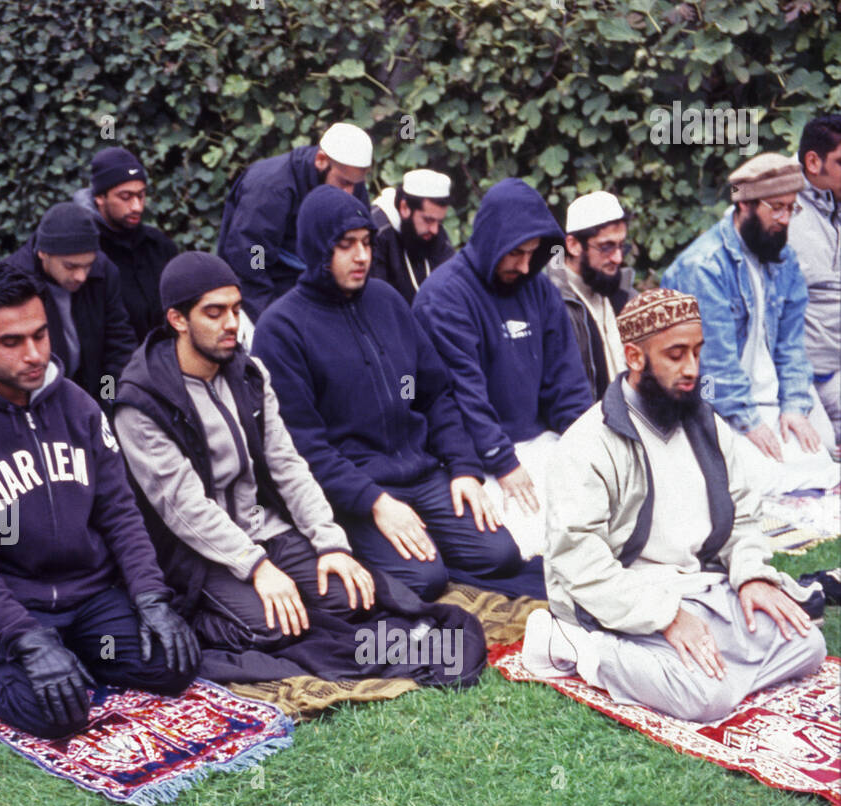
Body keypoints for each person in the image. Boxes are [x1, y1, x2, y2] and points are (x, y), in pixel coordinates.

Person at [114, 252, 485, 687]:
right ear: (177, 319)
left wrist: (331, 544)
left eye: (235, 309)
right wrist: (257, 568)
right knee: (273, 626)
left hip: (265, 528)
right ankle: (204, 620)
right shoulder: (141, 403)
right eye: (213, 313)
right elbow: (184, 509)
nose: (231, 323)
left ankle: (321, 612)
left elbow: (289, 465)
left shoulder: (249, 373)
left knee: (352, 597)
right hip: (196, 554)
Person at [523, 288, 826, 723]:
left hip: (701, 587)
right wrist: (666, 616)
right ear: (635, 357)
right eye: (676, 355)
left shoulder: (706, 425)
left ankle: (697, 661)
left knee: (807, 646)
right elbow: (580, 563)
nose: (693, 370)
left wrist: (751, 576)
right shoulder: (587, 445)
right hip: (625, 597)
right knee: (707, 698)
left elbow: (743, 512)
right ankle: (575, 646)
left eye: (698, 353)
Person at [252, 186, 544, 602]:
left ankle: (430, 546)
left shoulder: (387, 300)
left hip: (423, 474)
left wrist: (463, 468)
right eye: (346, 245)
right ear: (318, 248)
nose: (362, 256)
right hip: (353, 491)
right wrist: (374, 501)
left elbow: (436, 393)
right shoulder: (280, 328)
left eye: (367, 242)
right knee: (424, 580)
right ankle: (406, 552)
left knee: (500, 556)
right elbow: (302, 448)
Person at [0, 262, 198, 738]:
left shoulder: (79, 406)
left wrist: (149, 596)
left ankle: (70, 654)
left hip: (87, 597)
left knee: (174, 663)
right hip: (14, 601)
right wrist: (28, 640)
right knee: (61, 714)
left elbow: (120, 513)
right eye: (11, 342)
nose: (34, 354)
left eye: (40, 334)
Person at [413, 178, 593, 560]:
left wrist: (589, 444)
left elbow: (568, 383)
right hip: (474, 455)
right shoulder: (445, 296)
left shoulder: (540, 289)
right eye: (515, 253)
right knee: (522, 547)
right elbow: (462, 393)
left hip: (539, 440)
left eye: (534, 253)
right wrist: (503, 462)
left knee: (587, 527)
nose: (525, 265)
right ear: (492, 239)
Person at [662, 152, 837, 492]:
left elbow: (791, 346)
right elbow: (714, 362)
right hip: (713, 397)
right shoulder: (705, 266)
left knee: (821, 448)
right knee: (755, 475)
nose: (786, 219)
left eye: (792, 208)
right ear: (745, 205)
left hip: (767, 395)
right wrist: (749, 423)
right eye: (777, 208)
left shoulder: (782, 258)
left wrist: (794, 406)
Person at [217, 122, 373, 321]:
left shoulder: (351, 184)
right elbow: (251, 254)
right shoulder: (271, 187)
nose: (349, 193)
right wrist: (270, 316)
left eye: (355, 184)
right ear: (321, 160)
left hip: (314, 278)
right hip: (260, 278)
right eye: (344, 183)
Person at [8, 201, 137, 403]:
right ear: (43, 253)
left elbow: (118, 347)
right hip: (40, 400)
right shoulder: (14, 283)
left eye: (88, 265)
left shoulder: (103, 271)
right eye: (70, 266)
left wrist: (108, 397)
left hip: (94, 394)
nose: (81, 276)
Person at [73, 146, 178, 344]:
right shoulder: (85, 254)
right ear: (100, 197)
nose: (137, 206)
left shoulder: (160, 246)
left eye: (141, 195)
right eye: (125, 197)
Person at [546, 190, 636, 401]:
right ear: (573, 245)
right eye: (606, 247)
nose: (618, 258)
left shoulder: (625, 294)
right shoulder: (553, 305)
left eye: (621, 246)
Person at [787, 114, 841, 448]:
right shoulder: (779, 202)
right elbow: (735, 191)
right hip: (800, 375)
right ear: (812, 162)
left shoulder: (834, 198)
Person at [370, 169, 454, 305]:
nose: (435, 230)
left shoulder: (433, 231)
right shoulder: (376, 231)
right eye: (428, 220)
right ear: (404, 208)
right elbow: (376, 300)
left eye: (439, 222)